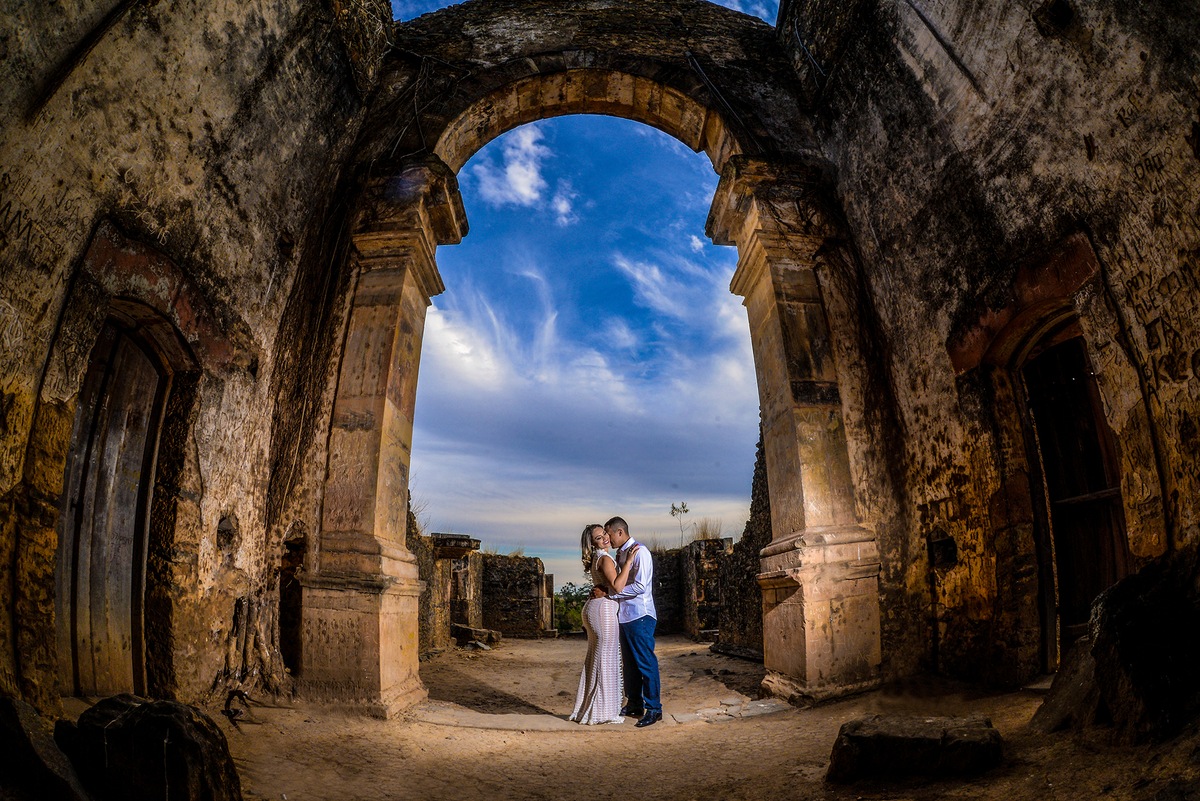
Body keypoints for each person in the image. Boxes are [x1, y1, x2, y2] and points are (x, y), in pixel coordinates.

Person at [569, 523, 641, 724]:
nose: (605, 538)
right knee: (605, 660)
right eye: (599, 537)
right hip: (603, 611)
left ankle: (594, 709)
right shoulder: (605, 558)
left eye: (604, 534)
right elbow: (617, 587)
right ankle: (602, 712)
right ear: (593, 544)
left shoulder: (598, 558)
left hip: (596, 609)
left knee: (598, 659)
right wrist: (628, 562)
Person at [596, 515, 662, 728]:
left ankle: (654, 709)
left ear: (620, 532)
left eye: (608, 533)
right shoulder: (621, 553)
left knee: (645, 662)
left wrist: (612, 594)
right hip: (625, 617)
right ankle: (634, 703)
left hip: (640, 615)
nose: (607, 537)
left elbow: (641, 586)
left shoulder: (640, 552)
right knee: (630, 665)